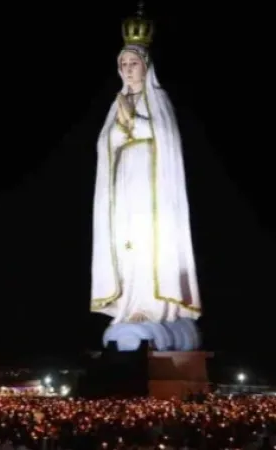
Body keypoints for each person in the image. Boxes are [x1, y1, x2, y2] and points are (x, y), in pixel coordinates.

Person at [90, 23, 201, 327]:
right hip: (125, 182)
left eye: (133, 63)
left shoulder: (158, 100)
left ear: (146, 66)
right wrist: (122, 126)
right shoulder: (118, 103)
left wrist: (133, 123)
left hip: (151, 188)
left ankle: (152, 307)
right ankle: (129, 303)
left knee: (149, 242)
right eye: (123, 64)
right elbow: (105, 142)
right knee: (126, 242)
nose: (127, 69)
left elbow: (164, 136)